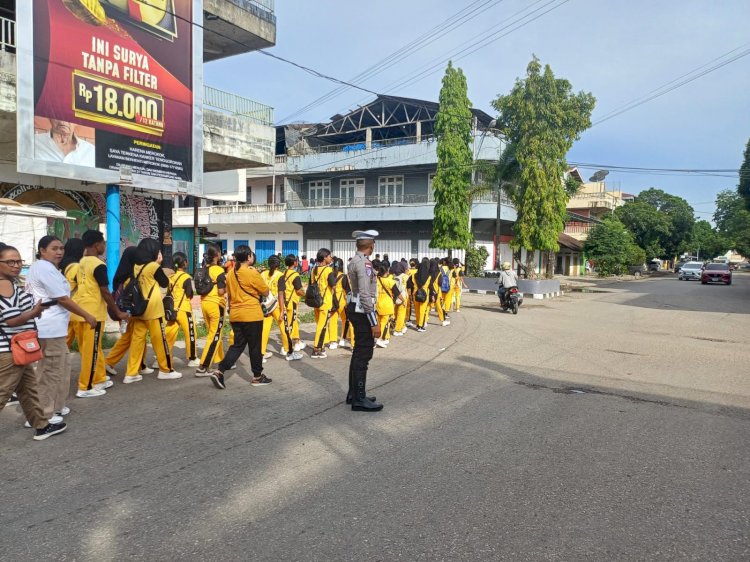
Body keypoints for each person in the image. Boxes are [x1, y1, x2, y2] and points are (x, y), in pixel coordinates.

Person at [25, 236, 97, 423]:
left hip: (55, 328)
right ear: (42, 250)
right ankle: (43, 414)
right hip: (49, 328)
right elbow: (63, 299)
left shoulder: (47, 268)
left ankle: (56, 406)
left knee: (61, 368)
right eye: (54, 248)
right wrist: (87, 315)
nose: (59, 252)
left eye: (61, 248)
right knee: (49, 372)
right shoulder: (44, 268)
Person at [0, 244, 68, 440]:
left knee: (28, 390)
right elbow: (12, 320)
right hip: (11, 350)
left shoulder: (10, 282)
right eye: (9, 262)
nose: (16, 265)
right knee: (3, 391)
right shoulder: (4, 284)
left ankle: (41, 425)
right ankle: (41, 424)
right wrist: (35, 312)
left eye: (18, 261)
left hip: (17, 348)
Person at [72, 230, 129, 398]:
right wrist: (117, 311)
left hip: (78, 311)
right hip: (92, 314)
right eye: (103, 243)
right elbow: (105, 290)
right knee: (91, 351)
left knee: (92, 349)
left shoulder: (81, 262)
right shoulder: (98, 265)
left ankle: (99, 378)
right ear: (97, 245)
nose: (104, 246)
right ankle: (85, 387)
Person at [209, 245, 272, 390]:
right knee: (255, 346)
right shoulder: (252, 273)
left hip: (236, 314)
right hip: (251, 314)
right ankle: (257, 376)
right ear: (249, 257)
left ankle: (220, 371)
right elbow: (266, 291)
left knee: (237, 345)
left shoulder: (230, 273)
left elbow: (228, 293)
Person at [120, 239, 181, 383]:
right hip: (153, 310)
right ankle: (166, 370)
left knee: (137, 341)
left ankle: (131, 373)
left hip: (139, 310)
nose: (159, 253)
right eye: (158, 251)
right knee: (160, 341)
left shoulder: (136, 266)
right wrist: (159, 263)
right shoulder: (153, 266)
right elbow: (164, 282)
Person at [345, 230, 383, 412]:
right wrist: (374, 322)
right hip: (362, 312)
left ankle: (354, 393)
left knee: (358, 352)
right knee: (363, 354)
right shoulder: (365, 264)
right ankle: (359, 399)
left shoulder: (354, 261)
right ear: (370, 246)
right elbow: (366, 295)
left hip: (354, 308)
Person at [260, 255, 302, 362]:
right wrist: (282, 309)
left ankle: (261, 353)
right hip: (276, 305)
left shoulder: (263, 274)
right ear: (279, 264)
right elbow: (280, 293)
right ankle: (289, 352)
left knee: (265, 329)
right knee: (284, 329)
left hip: (266, 305)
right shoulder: (280, 275)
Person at [196, 245, 227, 375]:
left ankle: (222, 360)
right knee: (214, 335)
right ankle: (203, 366)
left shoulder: (203, 270)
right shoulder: (219, 270)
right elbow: (221, 291)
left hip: (204, 303)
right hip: (216, 304)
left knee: (213, 333)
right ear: (217, 255)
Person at [164, 252, 199, 367]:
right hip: (184, 309)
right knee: (191, 333)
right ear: (184, 263)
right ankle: (192, 358)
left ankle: (163, 358)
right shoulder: (186, 277)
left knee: (169, 335)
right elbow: (189, 294)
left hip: (173, 310)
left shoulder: (171, 277)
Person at [60, 238, 85, 349]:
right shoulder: (75, 267)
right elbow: (71, 287)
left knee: (64, 342)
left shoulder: (62, 264)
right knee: (85, 344)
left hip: (66, 309)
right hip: (76, 309)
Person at [310, 248, 335, 359]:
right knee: (322, 325)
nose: (331, 258)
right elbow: (333, 285)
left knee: (320, 325)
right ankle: (317, 349)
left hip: (316, 301)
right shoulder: (328, 271)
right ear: (325, 257)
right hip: (325, 302)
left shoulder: (314, 270)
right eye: (329, 256)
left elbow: (312, 284)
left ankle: (322, 346)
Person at [375, 265, 396, 348]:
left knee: (378, 322)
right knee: (385, 322)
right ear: (387, 272)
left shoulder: (376, 280)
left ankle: (376, 339)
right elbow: (396, 292)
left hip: (377, 303)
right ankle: (380, 339)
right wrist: (403, 300)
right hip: (387, 305)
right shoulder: (389, 281)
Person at [412, 258, 432, 332]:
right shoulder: (428, 276)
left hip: (415, 294)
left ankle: (417, 324)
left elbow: (412, 284)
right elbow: (430, 286)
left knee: (417, 310)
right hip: (424, 295)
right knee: (422, 311)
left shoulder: (414, 275)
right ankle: (421, 326)